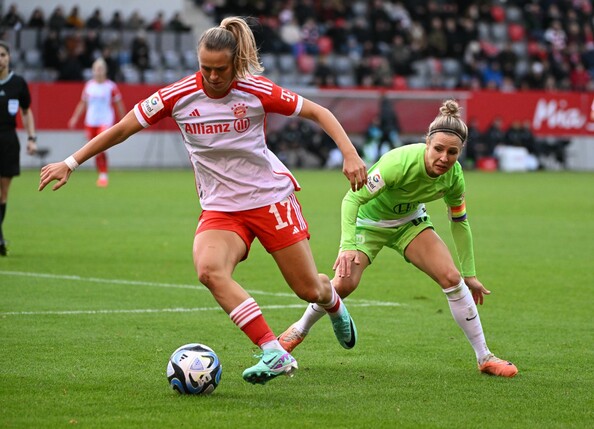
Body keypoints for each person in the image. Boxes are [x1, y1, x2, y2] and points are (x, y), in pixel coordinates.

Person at [39, 17, 367, 385]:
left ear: (234, 62)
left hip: (269, 200)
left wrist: (350, 154)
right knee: (209, 270)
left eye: (220, 69)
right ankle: (272, 350)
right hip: (222, 208)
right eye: (205, 68)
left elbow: (318, 112)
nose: (212, 76)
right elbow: (121, 129)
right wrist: (70, 162)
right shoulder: (177, 96)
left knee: (309, 288)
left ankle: (333, 304)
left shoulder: (255, 90)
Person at [278, 99, 519, 378]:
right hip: (369, 223)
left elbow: (459, 222)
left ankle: (485, 357)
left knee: (452, 279)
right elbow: (352, 198)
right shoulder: (399, 162)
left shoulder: (454, 177)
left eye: (452, 152)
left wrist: (470, 273)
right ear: (426, 143)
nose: (444, 158)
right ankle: (298, 329)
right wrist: (348, 245)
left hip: (410, 224)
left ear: (460, 152)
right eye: (438, 149)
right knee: (344, 285)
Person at [0, 41, 37, 256]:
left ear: (9, 57)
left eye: (3, 54)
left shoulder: (18, 83)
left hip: (8, 140)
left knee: (3, 193)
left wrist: (32, 138)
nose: (0, 59)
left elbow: (26, 111)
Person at [68, 58, 126, 187]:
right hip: (91, 121)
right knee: (93, 149)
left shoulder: (111, 86)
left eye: (101, 69)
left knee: (101, 147)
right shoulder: (89, 86)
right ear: (93, 71)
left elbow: (119, 104)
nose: (98, 71)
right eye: (96, 69)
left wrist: (124, 120)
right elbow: (82, 103)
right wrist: (75, 118)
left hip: (105, 121)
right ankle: (100, 173)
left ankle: (103, 175)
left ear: (105, 70)